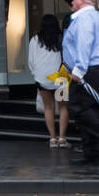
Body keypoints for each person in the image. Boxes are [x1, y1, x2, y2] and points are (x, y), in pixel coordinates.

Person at [62, 0, 99, 165]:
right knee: (91, 111)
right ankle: (91, 153)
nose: (72, 2)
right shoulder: (97, 18)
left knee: (78, 107)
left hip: (89, 70)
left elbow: (85, 44)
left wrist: (79, 70)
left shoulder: (85, 19)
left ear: (82, 0)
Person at [29, 14, 69, 148]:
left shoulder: (35, 39)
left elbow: (31, 61)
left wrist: (36, 74)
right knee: (63, 107)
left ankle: (52, 139)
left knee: (48, 107)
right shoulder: (61, 38)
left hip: (42, 79)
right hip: (61, 77)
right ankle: (62, 139)